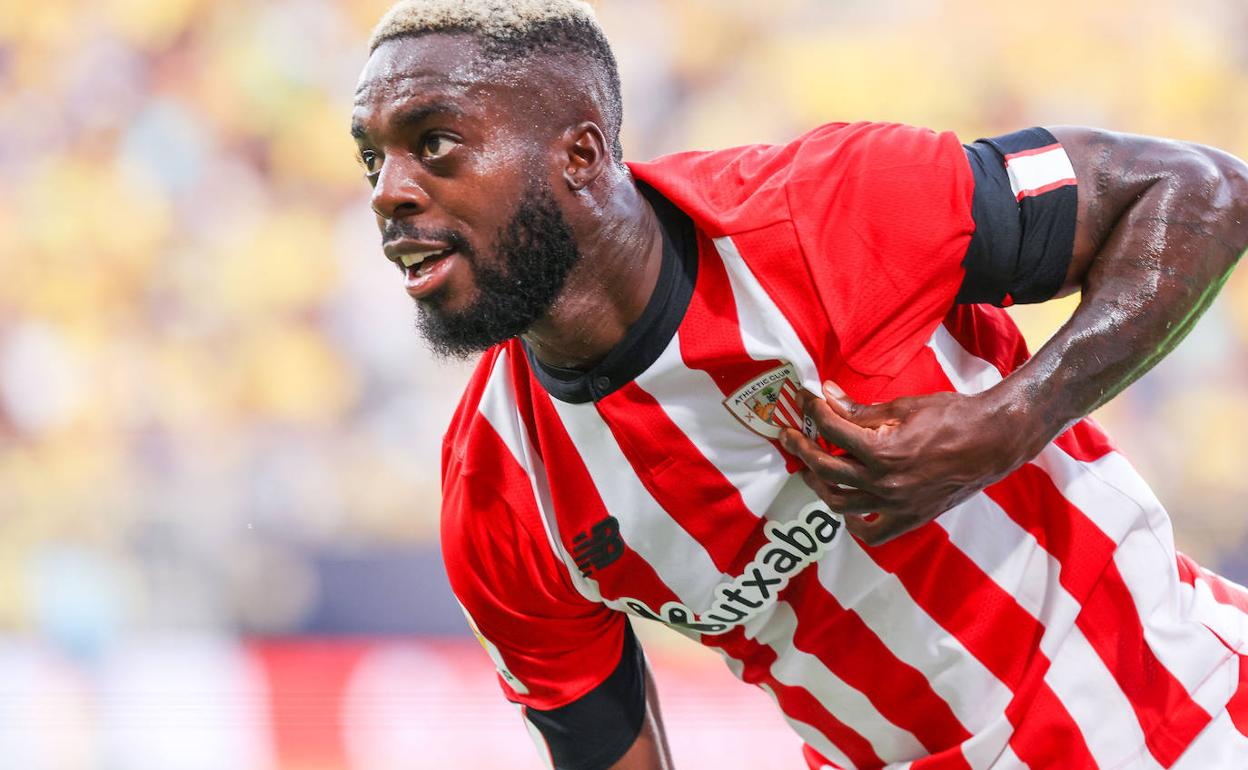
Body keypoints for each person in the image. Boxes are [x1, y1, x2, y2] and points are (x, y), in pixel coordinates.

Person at [350, 1, 1248, 767]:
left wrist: (1009, 421)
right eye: (371, 161)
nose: (389, 192)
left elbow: (1204, 191)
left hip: (1182, 713)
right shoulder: (498, 497)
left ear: (581, 155)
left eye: (434, 144)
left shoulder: (822, 212)